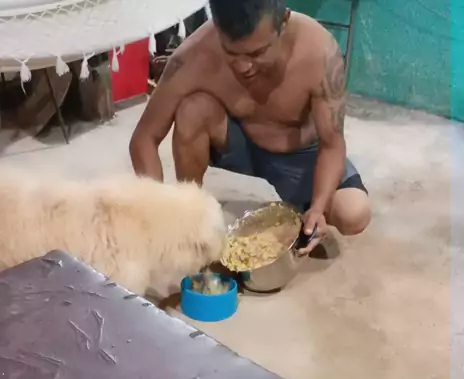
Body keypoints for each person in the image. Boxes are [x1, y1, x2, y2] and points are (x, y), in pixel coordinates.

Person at [130, 0, 371, 254]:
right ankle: (191, 216)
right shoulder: (194, 55)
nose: (243, 67)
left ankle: (304, 207)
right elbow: (144, 138)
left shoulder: (319, 52)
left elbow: (332, 144)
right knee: (192, 110)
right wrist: (157, 209)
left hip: (301, 155)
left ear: (283, 23)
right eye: (231, 53)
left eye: (257, 53)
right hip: (240, 143)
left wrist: (319, 207)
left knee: (353, 214)